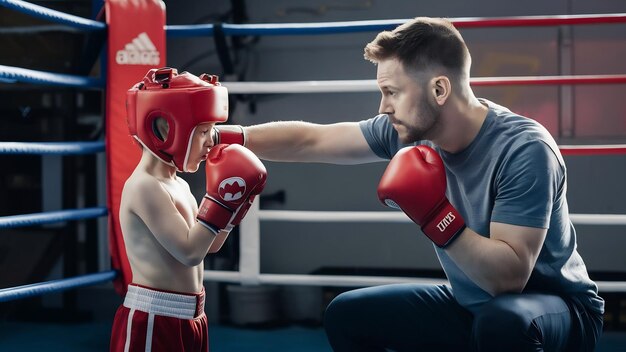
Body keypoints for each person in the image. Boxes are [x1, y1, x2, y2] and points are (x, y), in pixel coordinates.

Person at [213, 17, 604, 351]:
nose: (383, 107)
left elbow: (508, 279)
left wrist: (435, 215)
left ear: (439, 90)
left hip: (556, 311)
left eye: (391, 93)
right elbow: (311, 139)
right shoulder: (412, 130)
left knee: (503, 323)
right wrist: (225, 137)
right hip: (474, 306)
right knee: (348, 314)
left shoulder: (524, 149)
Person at [109, 67, 267, 351]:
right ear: (167, 128)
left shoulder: (179, 185)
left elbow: (210, 245)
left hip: (192, 316)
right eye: (204, 131)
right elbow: (189, 252)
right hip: (153, 319)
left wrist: (237, 206)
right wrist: (220, 202)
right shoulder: (145, 187)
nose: (212, 141)